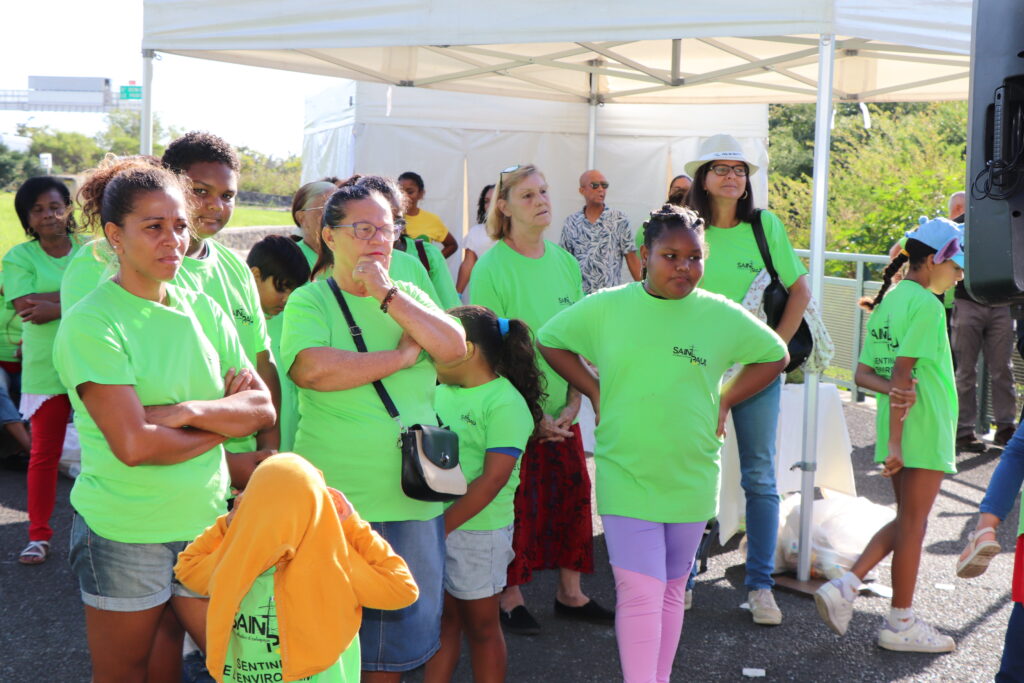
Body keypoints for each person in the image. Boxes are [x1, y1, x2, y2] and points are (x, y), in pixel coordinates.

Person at [537, 205, 788, 683]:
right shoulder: (608, 305)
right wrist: (592, 389)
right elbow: (550, 338)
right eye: (670, 255)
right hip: (626, 469)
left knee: (672, 590)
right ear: (645, 256)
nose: (683, 267)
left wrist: (726, 399)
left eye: (694, 258)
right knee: (640, 592)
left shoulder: (719, 313)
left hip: (692, 472)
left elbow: (774, 354)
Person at [54, 156, 275, 681]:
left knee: (235, 667)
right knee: (126, 673)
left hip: (205, 522)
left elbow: (261, 408)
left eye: (179, 226)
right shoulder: (92, 322)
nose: (172, 240)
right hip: (124, 531)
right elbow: (134, 446)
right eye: (153, 227)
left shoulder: (204, 307)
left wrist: (184, 414)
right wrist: (223, 424)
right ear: (114, 235)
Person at [281, 183, 466, 681]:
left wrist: (388, 295)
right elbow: (313, 370)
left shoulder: (411, 295)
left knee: (395, 650)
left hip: (412, 498)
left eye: (386, 228)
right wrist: (402, 357)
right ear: (329, 237)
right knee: (333, 645)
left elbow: (453, 348)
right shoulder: (310, 300)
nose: (377, 239)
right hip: (339, 503)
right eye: (362, 229)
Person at [470, 163, 612, 634]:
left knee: (573, 495)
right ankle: (511, 598)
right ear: (504, 207)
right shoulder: (491, 266)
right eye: (528, 195)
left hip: (561, 412)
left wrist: (573, 403)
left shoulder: (565, 262)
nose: (542, 201)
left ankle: (570, 593)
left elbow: (575, 338)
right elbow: (491, 351)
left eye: (545, 191)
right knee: (518, 504)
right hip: (514, 412)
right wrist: (531, 417)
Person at [814, 218, 964, 653]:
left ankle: (851, 588)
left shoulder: (890, 299)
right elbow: (903, 377)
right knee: (913, 525)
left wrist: (894, 436)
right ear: (934, 259)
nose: (959, 275)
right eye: (956, 265)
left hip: (897, 425)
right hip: (924, 426)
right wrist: (898, 443)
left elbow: (867, 375)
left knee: (906, 522)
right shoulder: (926, 305)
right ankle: (897, 621)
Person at [682, 134, 810, 624]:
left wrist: (776, 349)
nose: (732, 176)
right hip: (694, 370)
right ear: (703, 177)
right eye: (721, 168)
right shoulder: (687, 228)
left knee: (760, 475)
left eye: (740, 169)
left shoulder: (765, 225)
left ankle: (759, 585)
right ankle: (686, 575)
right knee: (693, 472)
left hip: (758, 368)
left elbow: (799, 290)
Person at [174, 453, 419, 683]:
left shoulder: (234, 557)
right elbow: (402, 588)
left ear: (250, 505)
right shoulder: (337, 560)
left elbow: (187, 566)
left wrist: (228, 524)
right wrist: (353, 526)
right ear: (320, 505)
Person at [423, 306, 543, 683]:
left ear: (468, 349)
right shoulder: (439, 391)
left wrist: (440, 527)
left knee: (482, 629)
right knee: (443, 624)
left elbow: (492, 481)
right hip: (437, 527)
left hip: (479, 533)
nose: (429, 352)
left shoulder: (505, 403)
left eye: (437, 343)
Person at [5, 176, 83, 564]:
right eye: (37, 209)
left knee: (107, 449)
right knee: (44, 454)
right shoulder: (18, 257)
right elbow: (25, 307)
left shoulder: (93, 252)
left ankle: (103, 534)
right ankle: (38, 535)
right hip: (46, 367)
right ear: (27, 218)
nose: (48, 215)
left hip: (94, 362)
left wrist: (57, 306)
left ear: (68, 209)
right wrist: (77, 299)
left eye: (55, 206)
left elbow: (116, 292)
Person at [947, 189, 1017, 452]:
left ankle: (1006, 428)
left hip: (1001, 304)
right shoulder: (959, 226)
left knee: (1003, 369)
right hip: (967, 301)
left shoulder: (1008, 220)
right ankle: (963, 431)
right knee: (965, 371)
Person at [559, 169, 641, 294]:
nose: (600, 189)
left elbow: (631, 258)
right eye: (594, 185)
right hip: (580, 299)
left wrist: (645, 290)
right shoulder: (571, 222)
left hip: (610, 298)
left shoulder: (618, 219)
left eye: (604, 185)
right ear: (582, 190)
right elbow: (564, 263)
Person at [0, 270, 30, 465]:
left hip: (30, 360)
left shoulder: (36, 300)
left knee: (35, 393)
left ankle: (24, 449)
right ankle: (30, 447)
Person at [398, 171, 458, 258]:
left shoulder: (432, 220)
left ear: (421, 194)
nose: (405, 196)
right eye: (400, 192)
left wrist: (434, 262)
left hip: (422, 271)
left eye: (410, 192)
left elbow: (452, 245)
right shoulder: (390, 218)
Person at [633, 174, 693, 249]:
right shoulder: (652, 223)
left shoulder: (699, 222)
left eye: (686, 190)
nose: (681, 193)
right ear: (669, 192)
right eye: (677, 189)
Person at [456, 184, 496, 295]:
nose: (490, 205)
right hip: (485, 292)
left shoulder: (519, 231)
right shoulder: (476, 232)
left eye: (495, 200)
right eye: (487, 201)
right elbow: (468, 264)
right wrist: (457, 295)